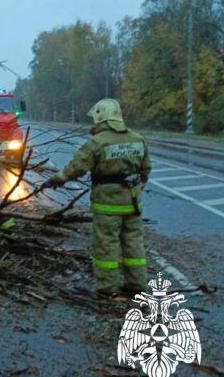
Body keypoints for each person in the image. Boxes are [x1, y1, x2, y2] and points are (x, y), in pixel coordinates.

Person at [41, 99, 151, 298]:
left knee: (106, 245)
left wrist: (56, 180)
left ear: (100, 117)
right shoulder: (138, 139)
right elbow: (145, 170)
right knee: (134, 243)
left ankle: (107, 289)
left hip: (107, 205)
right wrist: (137, 188)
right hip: (133, 203)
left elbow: (76, 168)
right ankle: (136, 285)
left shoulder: (97, 142)